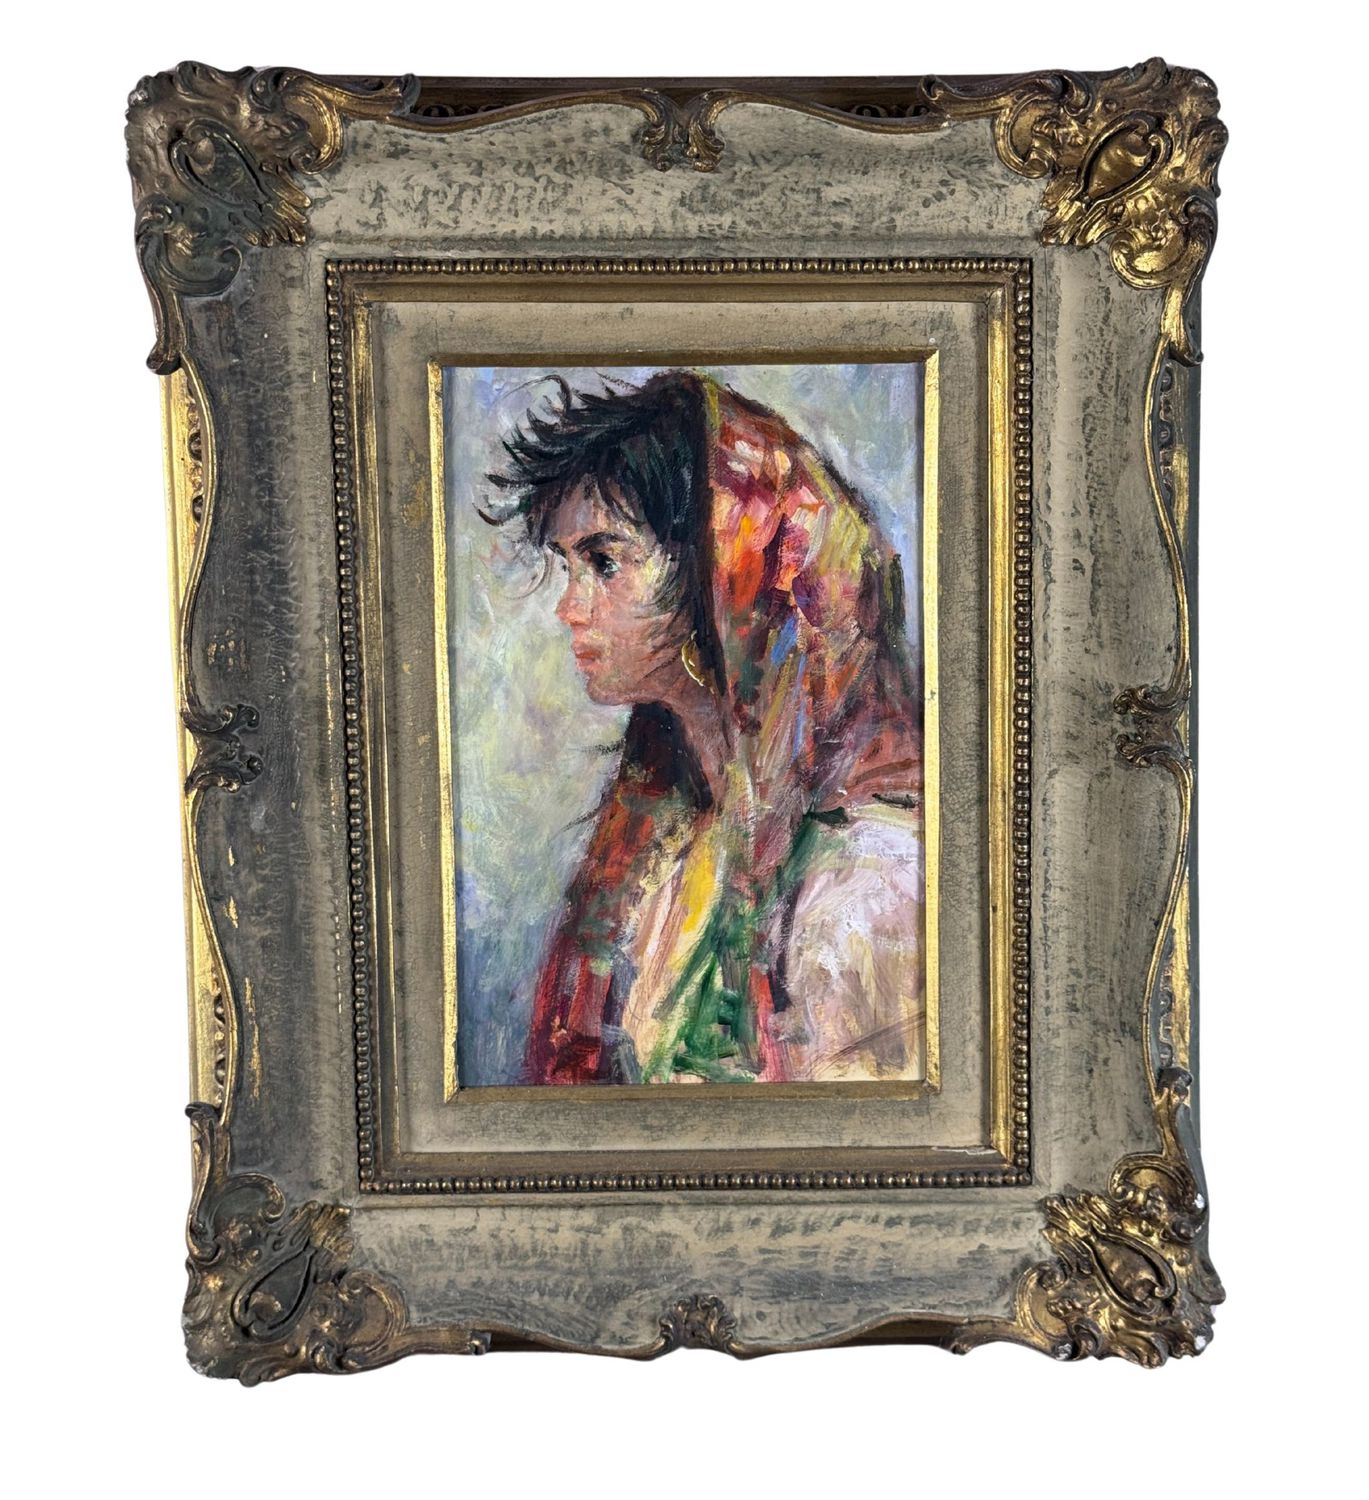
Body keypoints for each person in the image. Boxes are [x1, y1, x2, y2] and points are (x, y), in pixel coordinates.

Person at [480, 370, 925, 1086]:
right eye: (567, 567)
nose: (569, 608)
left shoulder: (869, 878)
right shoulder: (665, 843)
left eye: (603, 562)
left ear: (724, 571)